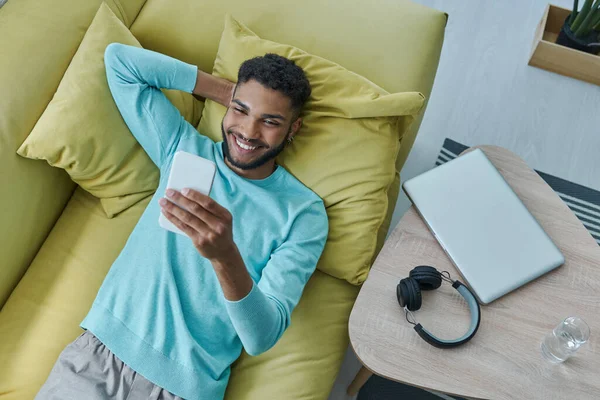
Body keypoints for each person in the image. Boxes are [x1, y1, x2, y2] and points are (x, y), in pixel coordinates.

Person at [35, 43, 328, 400]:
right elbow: (120, 61)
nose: (249, 133)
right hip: (97, 358)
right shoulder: (183, 148)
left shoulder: (303, 213)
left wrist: (225, 257)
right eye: (241, 110)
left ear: (294, 127)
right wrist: (222, 90)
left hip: (184, 390)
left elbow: (261, 336)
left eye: (270, 121)